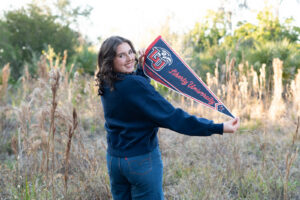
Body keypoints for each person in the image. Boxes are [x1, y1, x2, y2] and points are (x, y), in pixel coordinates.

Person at [96, 36, 240, 200]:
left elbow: (133, 97)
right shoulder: (135, 85)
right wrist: (218, 127)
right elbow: (173, 117)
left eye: (130, 52)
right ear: (110, 60)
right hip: (140, 162)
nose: (130, 58)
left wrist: (142, 71)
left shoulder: (106, 83)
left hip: (115, 162)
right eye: (121, 55)